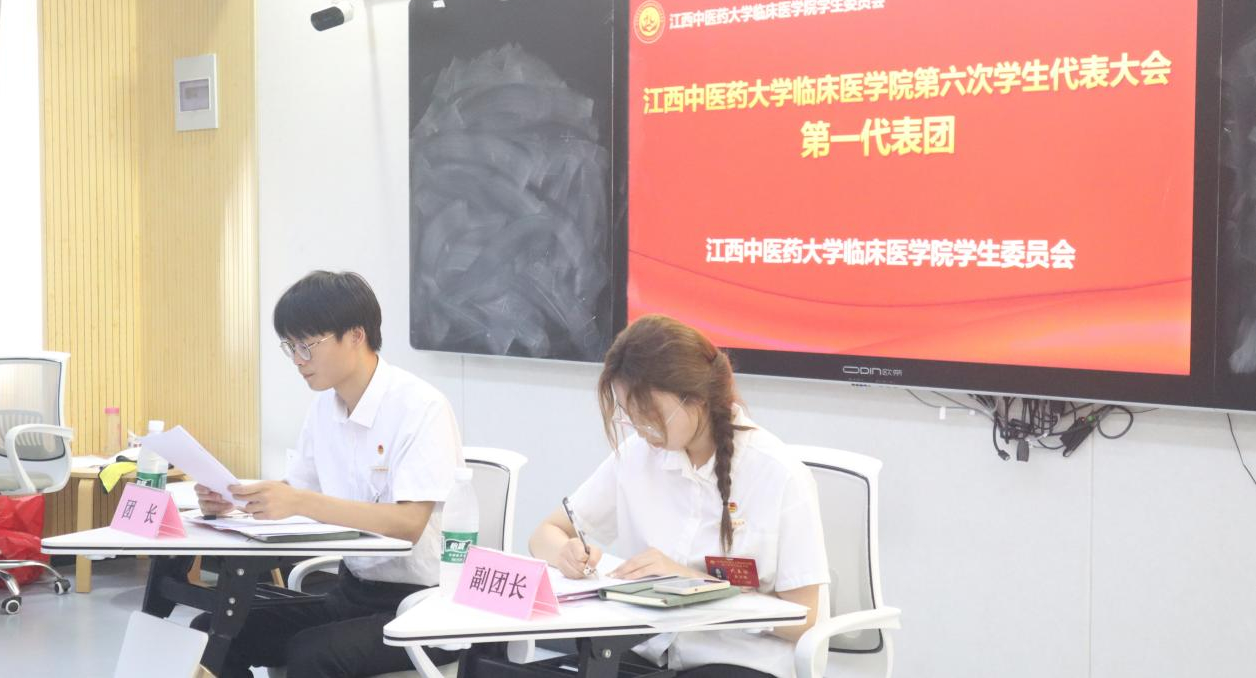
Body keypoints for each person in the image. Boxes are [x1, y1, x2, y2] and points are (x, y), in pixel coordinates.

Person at [191, 271, 464, 678]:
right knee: (212, 632)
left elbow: (408, 524)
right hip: (351, 593)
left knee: (311, 654)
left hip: (423, 607)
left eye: (307, 345)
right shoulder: (324, 407)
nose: (298, 360)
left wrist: (300, 501)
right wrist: (235, 500)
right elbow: (297, 491)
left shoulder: (420, 407)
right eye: (290, 346)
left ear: (355, 336)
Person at [529, 314, 830, 678]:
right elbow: (545, 533)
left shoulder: (778, 473)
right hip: (648, 651)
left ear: (696, 398)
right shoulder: (638, 455)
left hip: (738, 660)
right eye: (630, 415)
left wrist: (692, 585)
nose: (641, 429)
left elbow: (805, 619)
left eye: (649, 414)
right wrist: (565, 552)